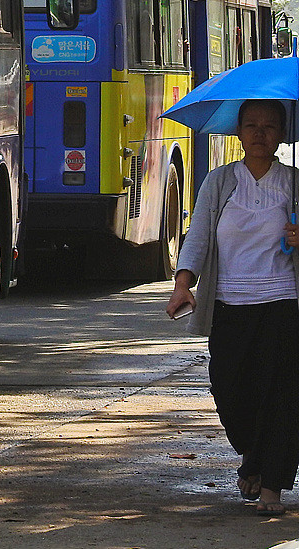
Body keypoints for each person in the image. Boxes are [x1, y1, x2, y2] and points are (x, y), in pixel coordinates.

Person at [167, 98, 299, 515]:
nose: (260, 133)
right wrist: (183, 283)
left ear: (282, 133)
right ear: (238, 131)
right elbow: (200, 235)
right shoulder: (220, 181)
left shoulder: (294, 182)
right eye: (252, 125)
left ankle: (272, 487)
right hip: (229, 305)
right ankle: (255, 460)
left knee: (281, 396)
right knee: (229, 390)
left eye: (270, 126)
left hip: (282, 304)